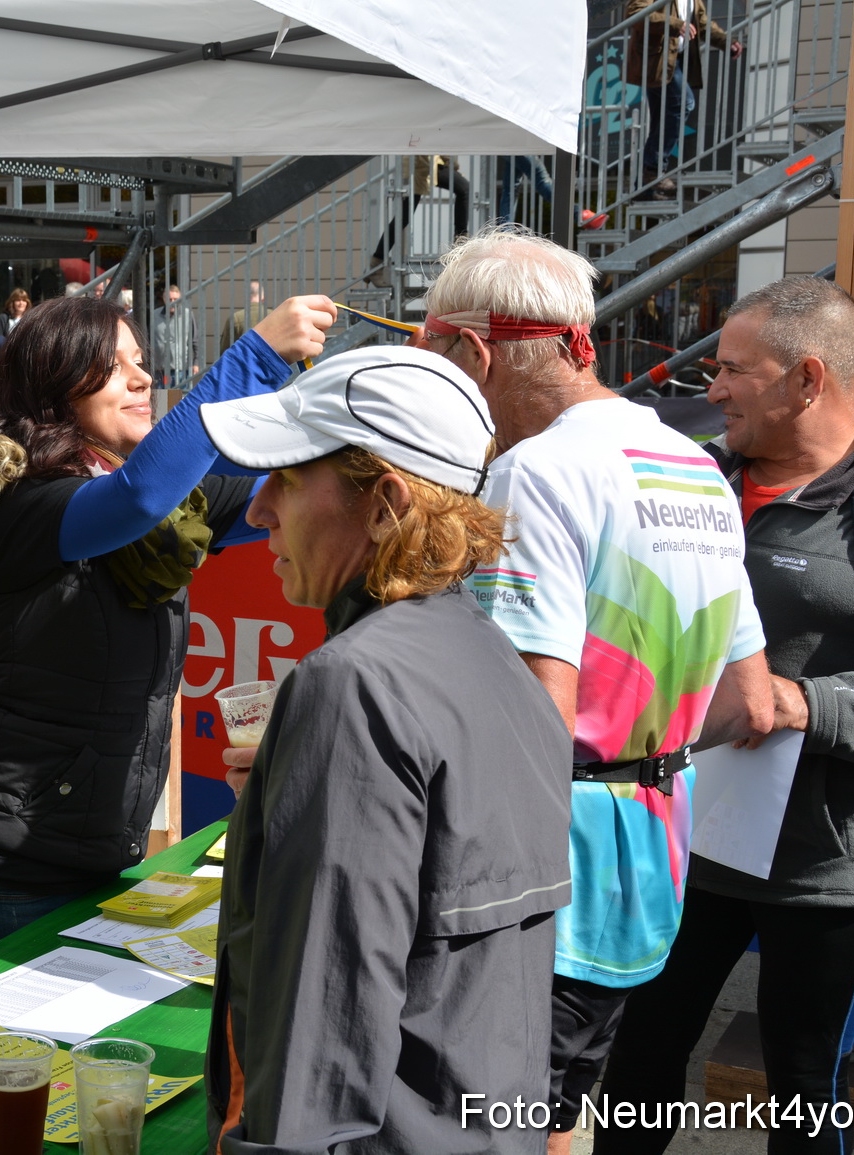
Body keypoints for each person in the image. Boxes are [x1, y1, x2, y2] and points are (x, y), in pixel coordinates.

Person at [414, 227, 771, 1154]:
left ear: (476, 354)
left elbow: (529, 720)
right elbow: (753, 701)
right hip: (650, 860)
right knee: (559, 1111)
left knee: (493, 1124)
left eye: (439, 360)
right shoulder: (699, 468)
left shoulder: (534, 471)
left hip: (543, 881)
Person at [598, 277, 854, 1154]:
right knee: (638, 1055)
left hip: (830, 868)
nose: (712, 389)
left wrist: (805, 702)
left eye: (734, 370)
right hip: (685, 836)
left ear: (808, 380)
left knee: (805, 1089)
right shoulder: (693, 485)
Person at [199, 346, 574, 1153]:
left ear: (386, 506)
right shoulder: (494, 657)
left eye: (288, 479)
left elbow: (321, 1023)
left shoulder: (355, 684)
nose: (259, 508)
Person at [0, 292, 335, 965]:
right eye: (112, 366)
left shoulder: (157, 497)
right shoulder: (18, 504)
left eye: (143, 362)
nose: (142, 379)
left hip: (91, 851)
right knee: (18, 1066)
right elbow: (137, 499)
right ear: (56, 382)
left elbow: (273, 498)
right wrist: (254, 356)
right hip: (2, 870)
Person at [626, 0, 741, 197]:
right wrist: (676, 25)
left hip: (675, 61)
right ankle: (653, 169)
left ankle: (642, 188)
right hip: (655, 61)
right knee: (684, 104)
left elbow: (701, 23)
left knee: (660, 121)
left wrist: (725, 41)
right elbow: (636, 14)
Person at [151, 283, 198, 387]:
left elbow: (194, 340)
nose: (172, 302)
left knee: (179, 398)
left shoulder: (188, 315)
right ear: (164, 299)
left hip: (181, 368)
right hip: (160, 370)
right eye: (169, 299)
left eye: (175, 299)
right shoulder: (154, 315)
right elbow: (148, 339)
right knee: (161, 400)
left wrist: (196, 363)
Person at [218, 279, 266, 352]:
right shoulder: (274, 316)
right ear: (263, 298)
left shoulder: (235, 318)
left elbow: (225, 350)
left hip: (243, 362)